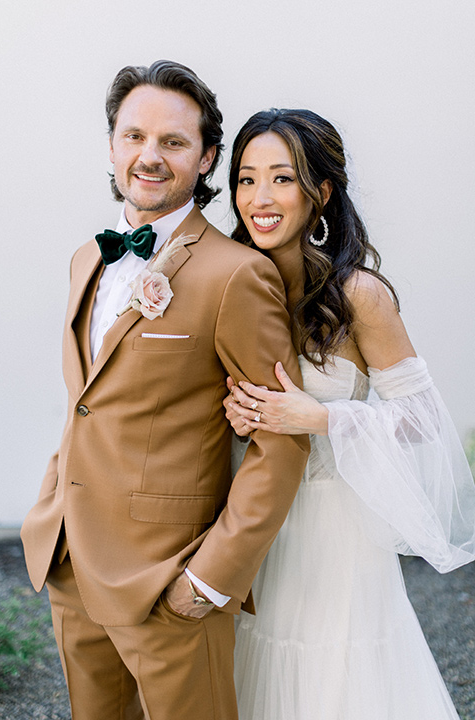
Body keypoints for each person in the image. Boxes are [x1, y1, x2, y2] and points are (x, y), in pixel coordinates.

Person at [20, 64, 310, 720]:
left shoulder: (237, 276)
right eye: (133, 136)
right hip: (70, 561)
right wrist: (50, 509)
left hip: (168, 581)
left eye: (173, 142)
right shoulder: (86, 259)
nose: (149, 156)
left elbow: (282, 440)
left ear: (207, 155)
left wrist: (208, 579)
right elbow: (87, 404)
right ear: (113, 145)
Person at [224, 108, 475, 720]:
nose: (260, 198)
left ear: (322, 193)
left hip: (331, 527)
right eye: (247, 178)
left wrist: (320, 418)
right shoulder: (227, 280)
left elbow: (424, 420)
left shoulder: (358, 294)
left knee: (332, 675)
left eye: (282, 179)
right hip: (247, 514)